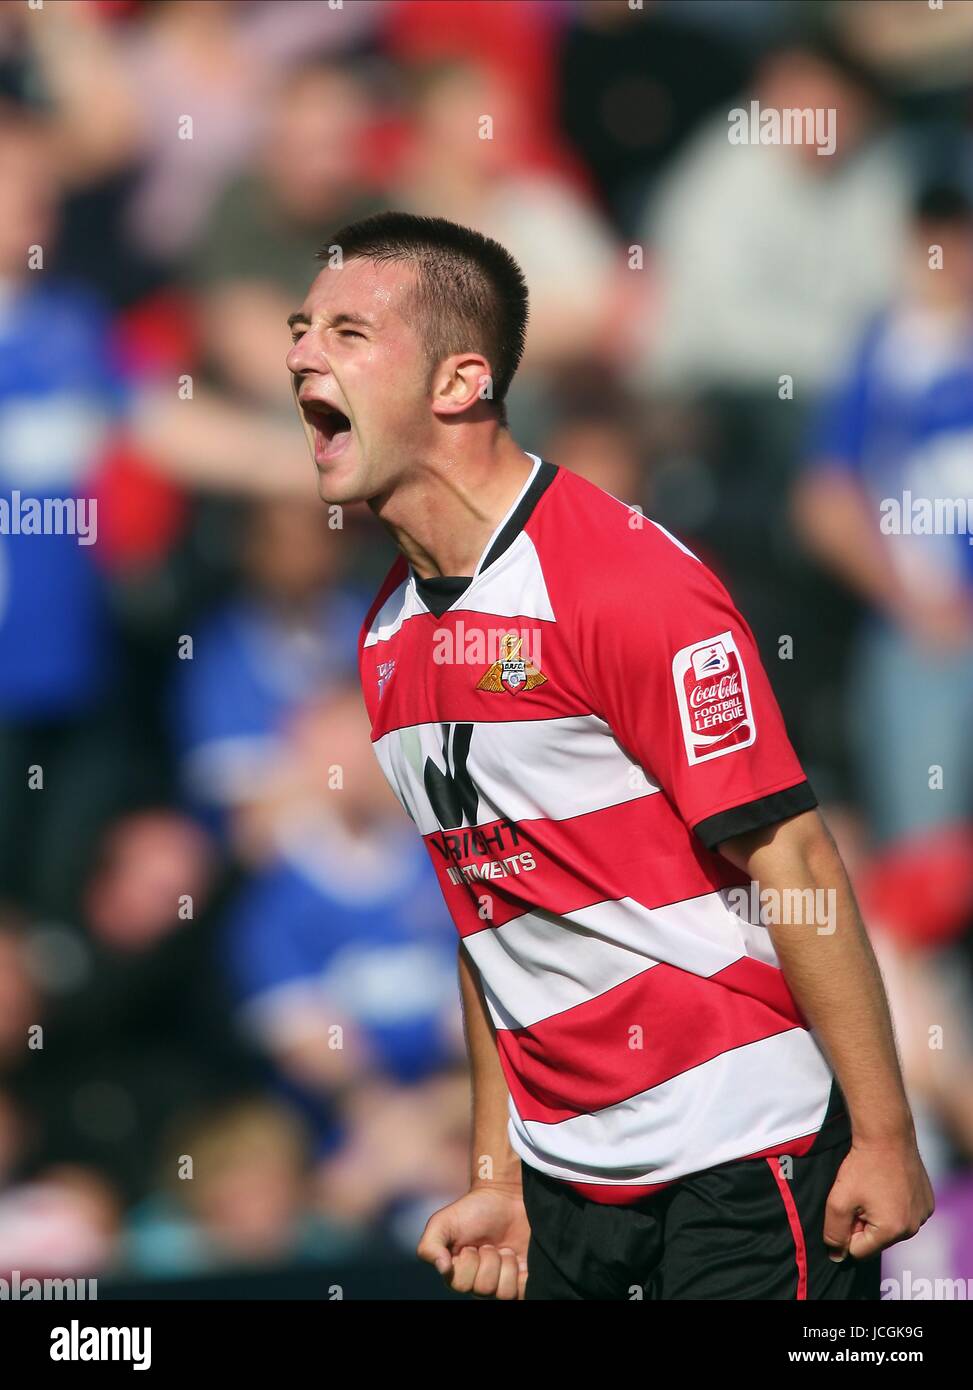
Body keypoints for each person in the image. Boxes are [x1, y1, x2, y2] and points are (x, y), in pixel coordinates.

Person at [285, 210, 933, 1301]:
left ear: (458, 383)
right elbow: (486, 911)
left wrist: (881, 1131)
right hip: (567, 1186)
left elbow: (796, 858)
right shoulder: (388, 633)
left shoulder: (621, 585)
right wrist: (494, 1169)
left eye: (348, 331)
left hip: (743, 1151)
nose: (301, 351)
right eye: (302, 326)